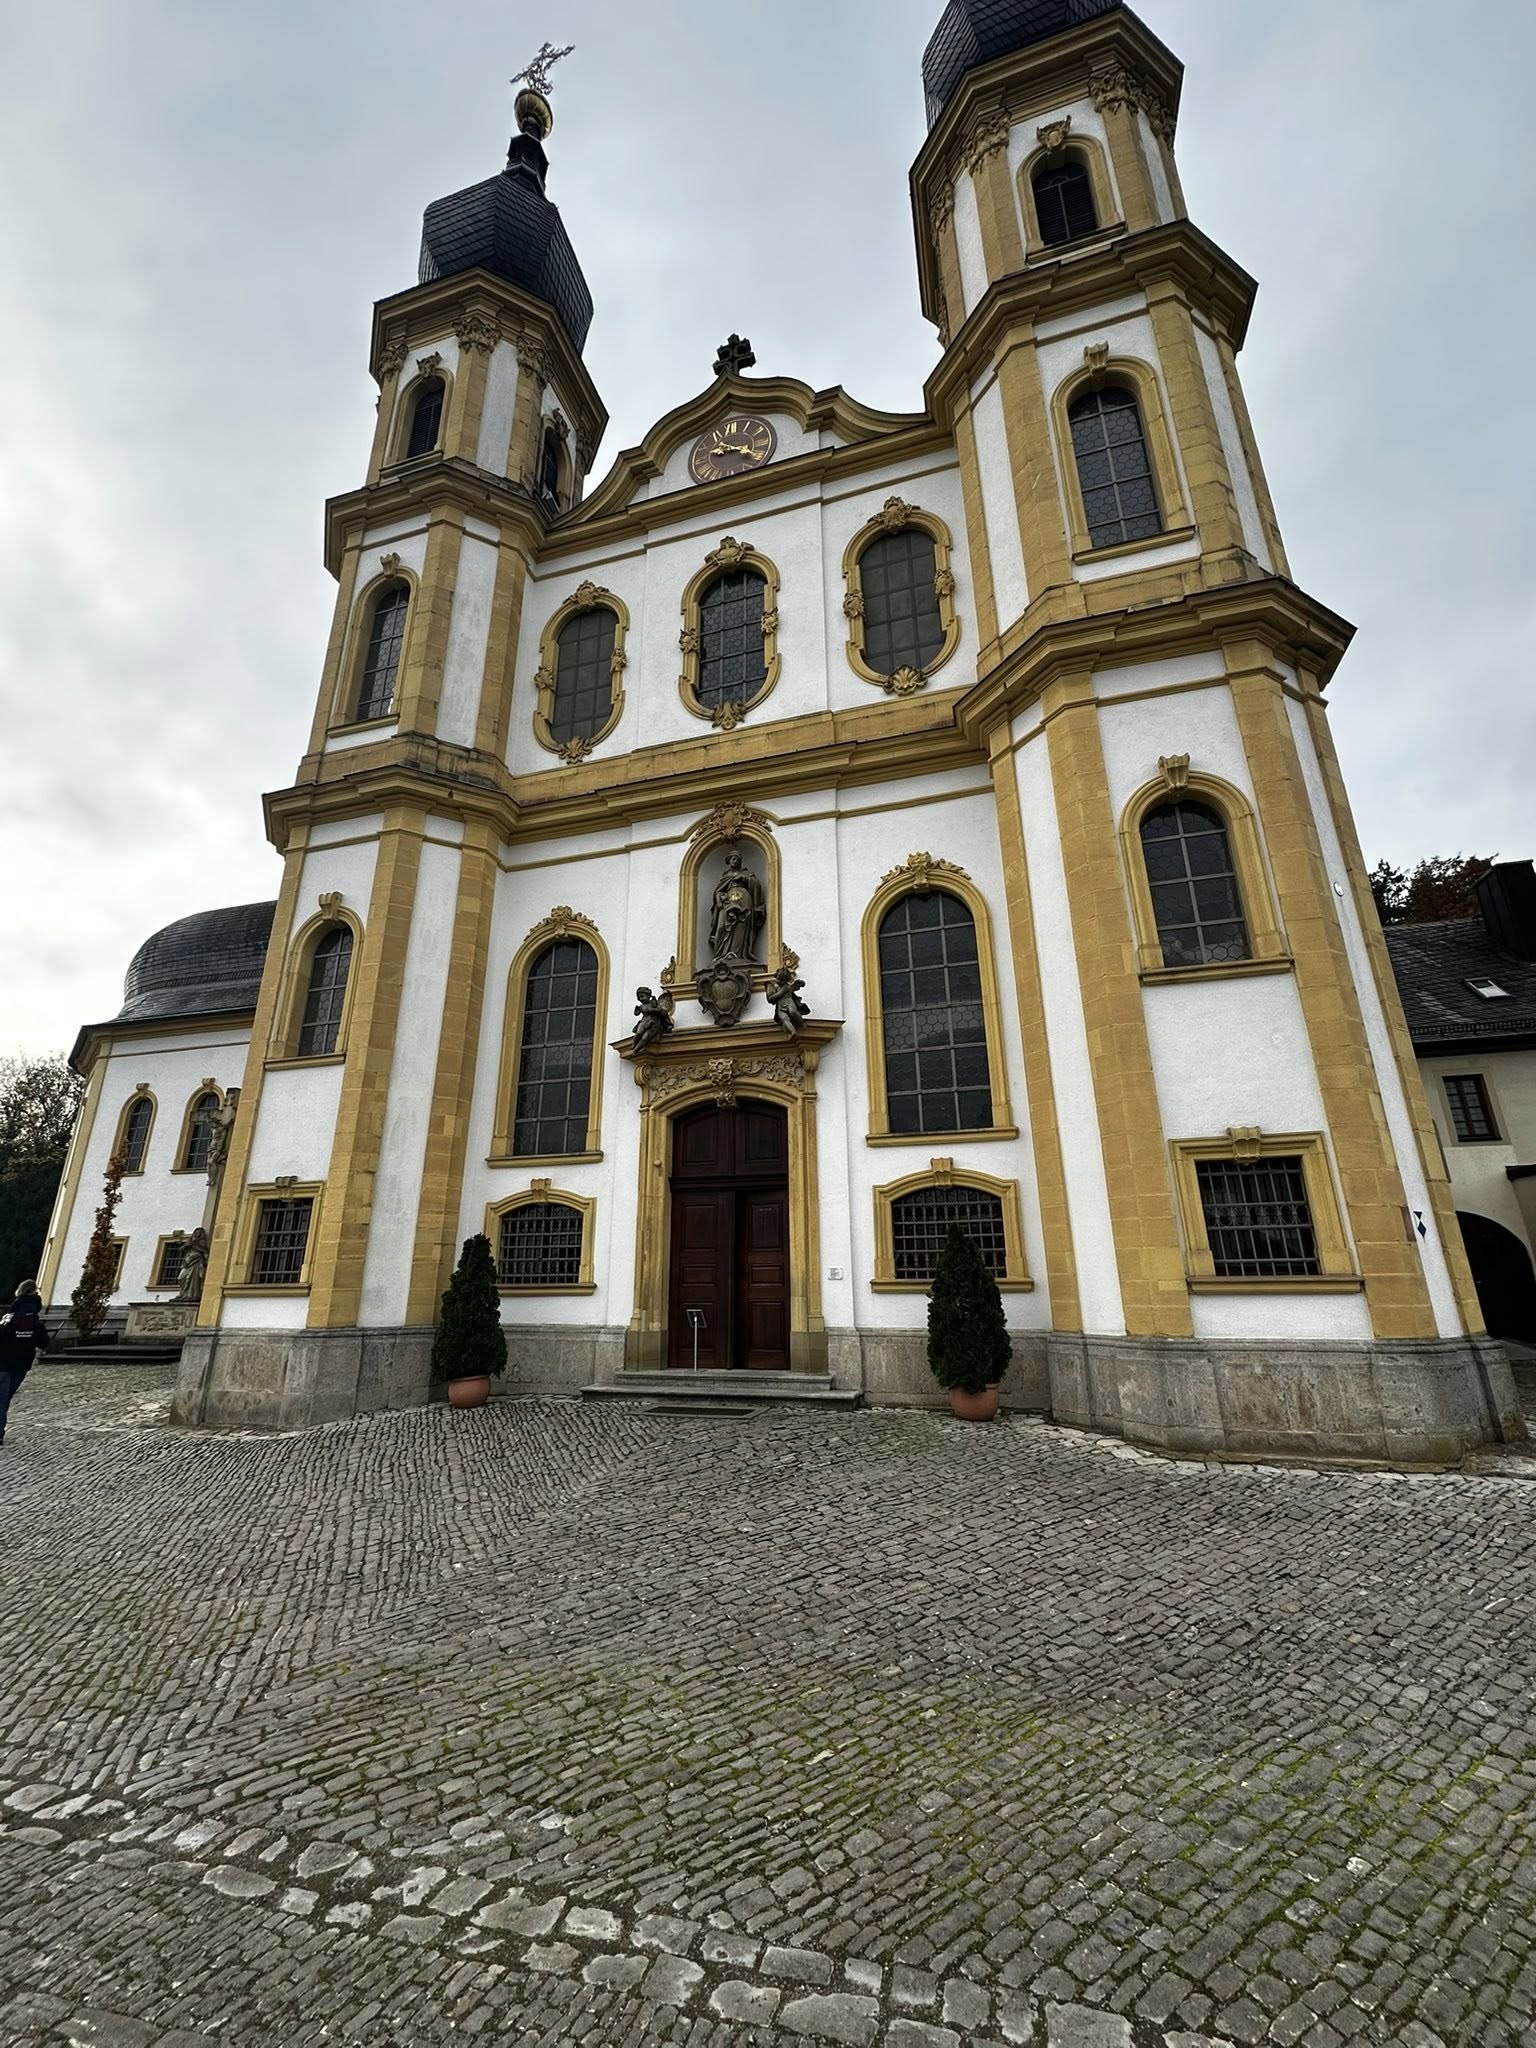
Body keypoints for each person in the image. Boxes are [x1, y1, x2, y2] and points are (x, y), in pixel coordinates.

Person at [0, 1280, 50, 1447]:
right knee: (5, 1398)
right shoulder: (35, 1320)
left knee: (1, 1398)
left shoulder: (10, 1315)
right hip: (22, 1364)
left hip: (3, 1362)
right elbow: (44, 1342)